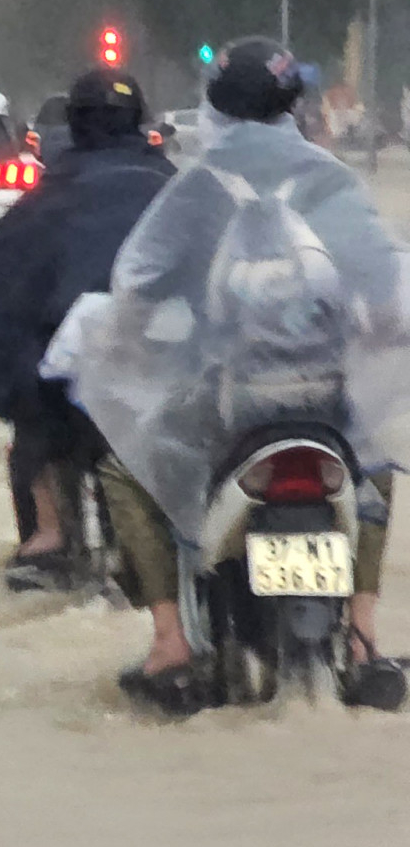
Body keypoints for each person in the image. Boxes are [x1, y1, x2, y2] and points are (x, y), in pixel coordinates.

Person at [53, 38, 410, 705]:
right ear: (293, 107)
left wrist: (129, 341)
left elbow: (138, 290)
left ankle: (170, 641)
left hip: (230, 406)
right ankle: (363, 634)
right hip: (327, 408)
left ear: (215, 108)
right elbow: (387, 292)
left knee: (123, 469)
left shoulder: (198, 189)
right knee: (377, 465)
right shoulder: (331, 182)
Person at [0, 68, 175, 591]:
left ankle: (48, 537)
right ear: (140, 124)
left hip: (68, 394)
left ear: (73, 126)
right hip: (161, 386)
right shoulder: (176, 193)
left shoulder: (41, 204)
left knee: (33, 424)